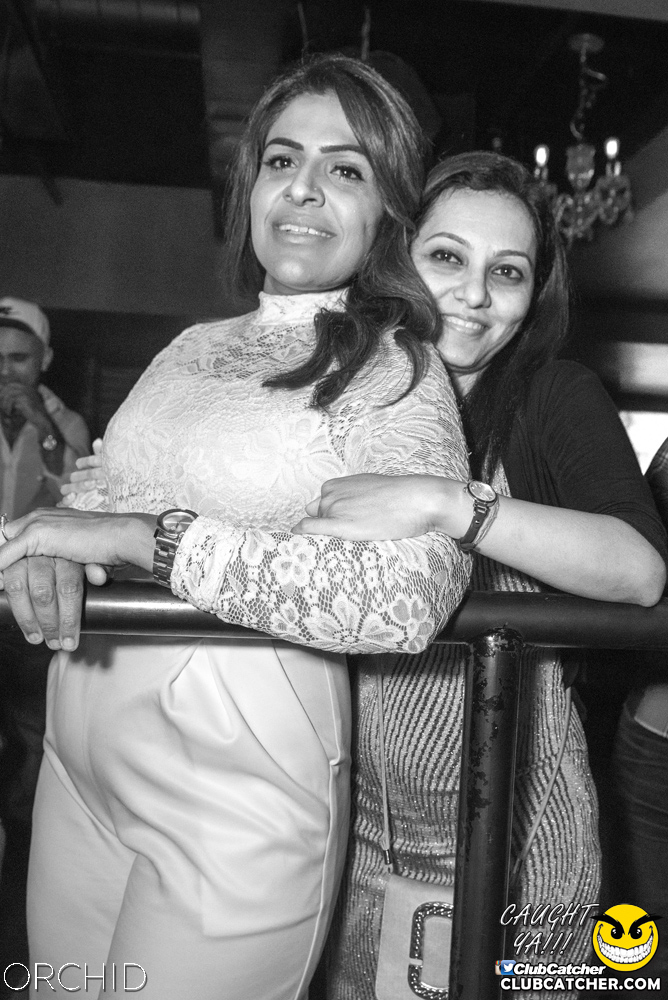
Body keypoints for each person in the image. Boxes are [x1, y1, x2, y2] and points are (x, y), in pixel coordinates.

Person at [0, 57, 471, 1000]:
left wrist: (148, 539)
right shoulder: (190, 347)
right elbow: (109, 488)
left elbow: (409, 598)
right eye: (282, 160)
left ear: (388, 209)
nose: (302, 188)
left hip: (236, 778)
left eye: (345, 169)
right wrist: (57, 547)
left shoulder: (398, 369)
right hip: (80, 745)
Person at [288, 152, 668, 999]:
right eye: (446, 257)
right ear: (397, 259)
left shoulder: (552, 394)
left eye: (508, 272)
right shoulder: (343, 395)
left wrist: (448, 503)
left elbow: (640, 571)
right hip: (349, 834)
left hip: (522, 841)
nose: (474, 295)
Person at [0, 297, 89, 891]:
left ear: (45, 360)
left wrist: (45, 428)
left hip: (33, 604)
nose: (5, 370)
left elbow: (82, 500)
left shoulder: (68, 423)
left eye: (19, 358)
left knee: (37, 730)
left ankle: (27, 860)